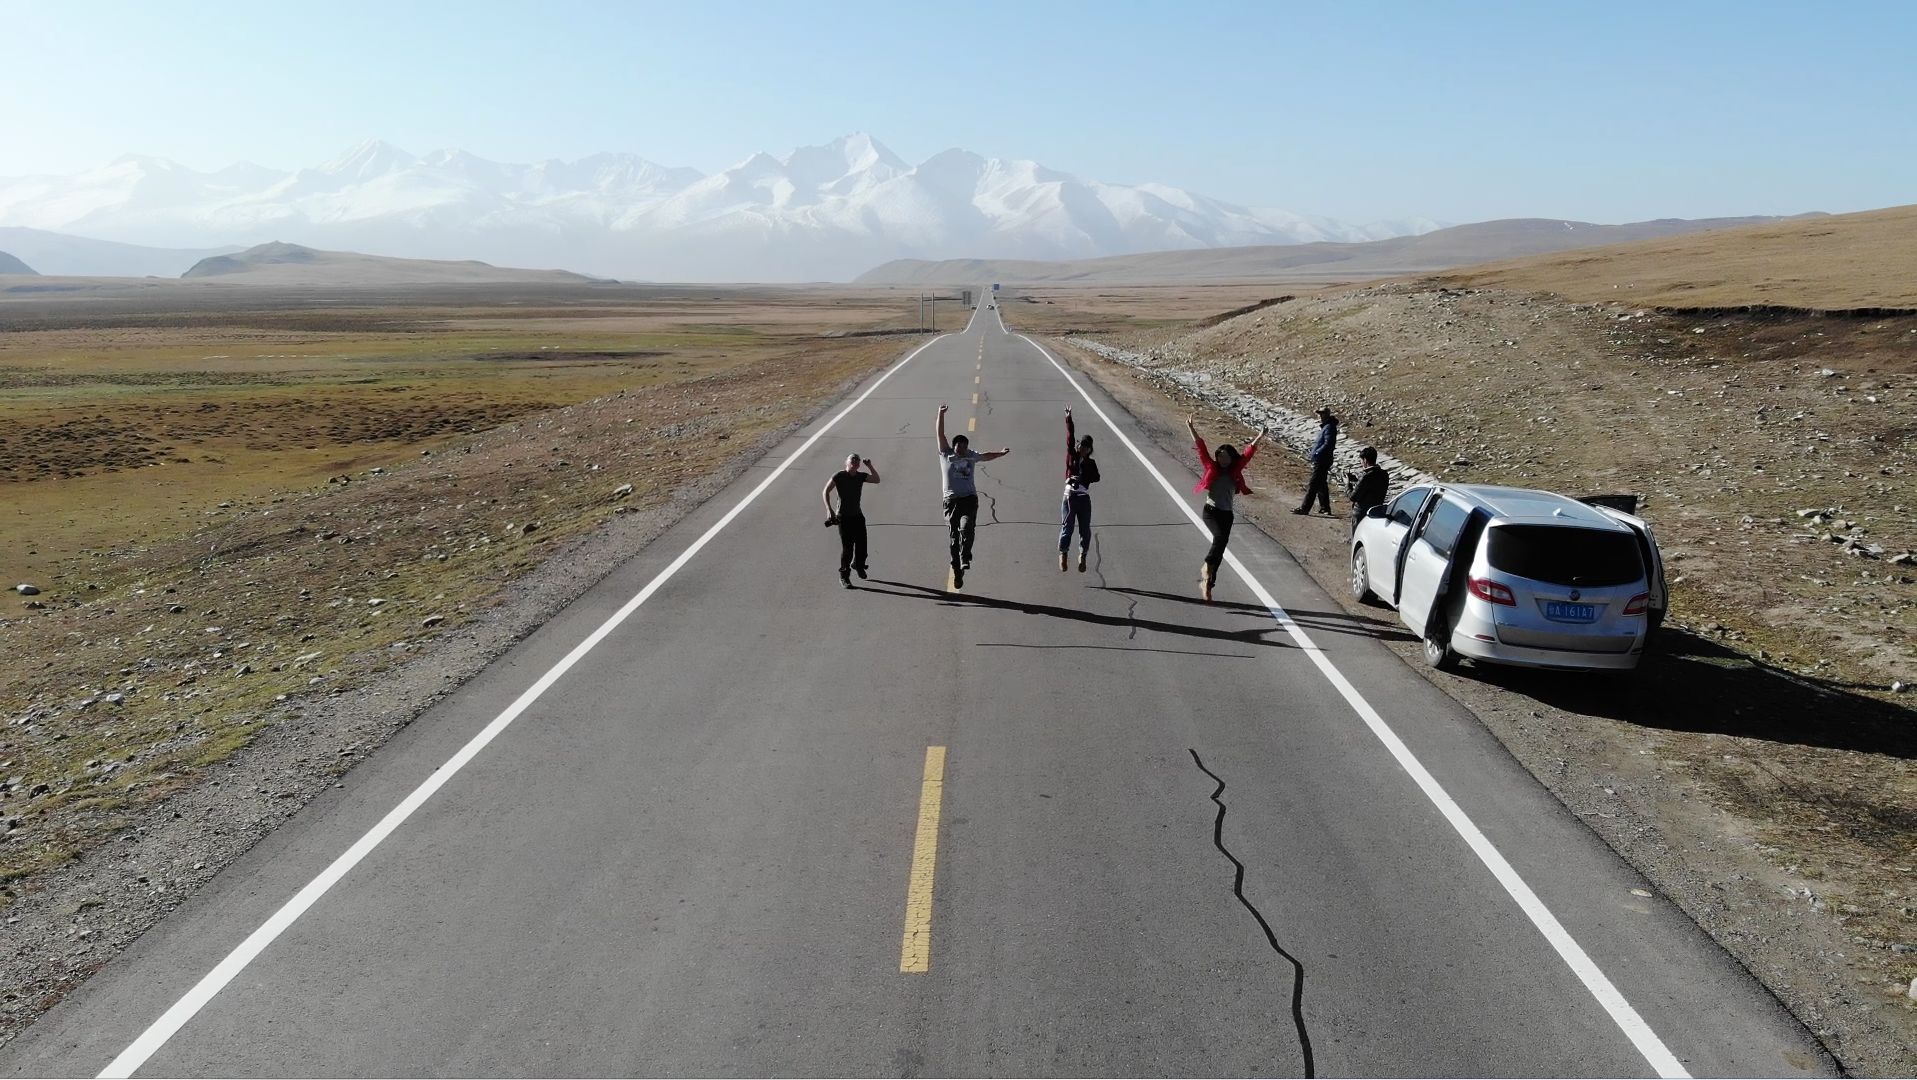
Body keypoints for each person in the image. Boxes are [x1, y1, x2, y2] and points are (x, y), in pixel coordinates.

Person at [1187, 415, 1266, 602]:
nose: (1222, 459)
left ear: (1231, 458)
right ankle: (1207, 565)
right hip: (1211, 511)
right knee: (1219, 539)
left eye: (1226, 457)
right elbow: (1201, 448)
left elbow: (1248, 453)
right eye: (1220, 456)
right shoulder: (1211, 467)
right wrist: (1191, 428)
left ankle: (1208, 583)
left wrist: (1260, 436)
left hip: (1227, 515)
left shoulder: (1235, 469)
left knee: (1220, 549)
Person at [936, 404, 1010, 589]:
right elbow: (940, 434)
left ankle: (965, 557)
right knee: (954, 539)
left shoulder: (971, 456)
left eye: (964, 445)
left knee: (967, 527)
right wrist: (941, 413)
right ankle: (958, 572)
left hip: (969, 499)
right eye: (959, 445)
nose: (962, 448)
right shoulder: (946, 454)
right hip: (950, 502)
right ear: (953, 446)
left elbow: (986, 456)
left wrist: (1001, 454)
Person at [822, 452, 881, 587]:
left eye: (856, 462)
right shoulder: (839, 476)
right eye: (852, 461)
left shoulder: (860, 476)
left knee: (862, 547)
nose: (854, 464)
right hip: (843, 518)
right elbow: (826, 491)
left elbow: (877, 479)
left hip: (857, 516)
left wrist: (870, 466)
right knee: (848, 550)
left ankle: (858, 565)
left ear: (859, 465)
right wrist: (829, 510)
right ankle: (844, 576)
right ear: (846, 463)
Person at [1058, 408, 1100, 572]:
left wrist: (1084, 476)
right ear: (1078, 446)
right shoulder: (1072, 456)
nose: (1084, 449)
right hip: (1070, 497)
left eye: (1087, 448)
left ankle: (1083, 555)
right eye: (1082, 445)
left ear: (1090, 450)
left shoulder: (1091, 464)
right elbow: (1070, 438)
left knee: (1085, 529)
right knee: (1067, 528)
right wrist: (1069, 419)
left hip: (1083, 498)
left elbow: (1096, 477)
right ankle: (1063, 554)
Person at [1292, 406, 1339, 516]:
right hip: (1322, 459)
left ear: (1326, 415)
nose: (1320, 416)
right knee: (1321, 484)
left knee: (1313, 484)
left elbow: (1328, 444)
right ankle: (1325, 508)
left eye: (1321, 414)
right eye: (1319, 414)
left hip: (1322, 460)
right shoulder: (1327, 427)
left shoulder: (1329, 427)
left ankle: (1305, 508)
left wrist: (1318, 452)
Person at [1345, 446, 1389, 535]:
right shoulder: (1384, 474)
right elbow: (1372, 487)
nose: (1361, 462)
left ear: (1365, 460)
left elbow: (1353, 497)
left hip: (1361, 514)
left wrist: (1347, 484)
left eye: (1361, 460)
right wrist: (1356, 480)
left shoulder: (1366, 477)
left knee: (1357, 538)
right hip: (1375, 512)